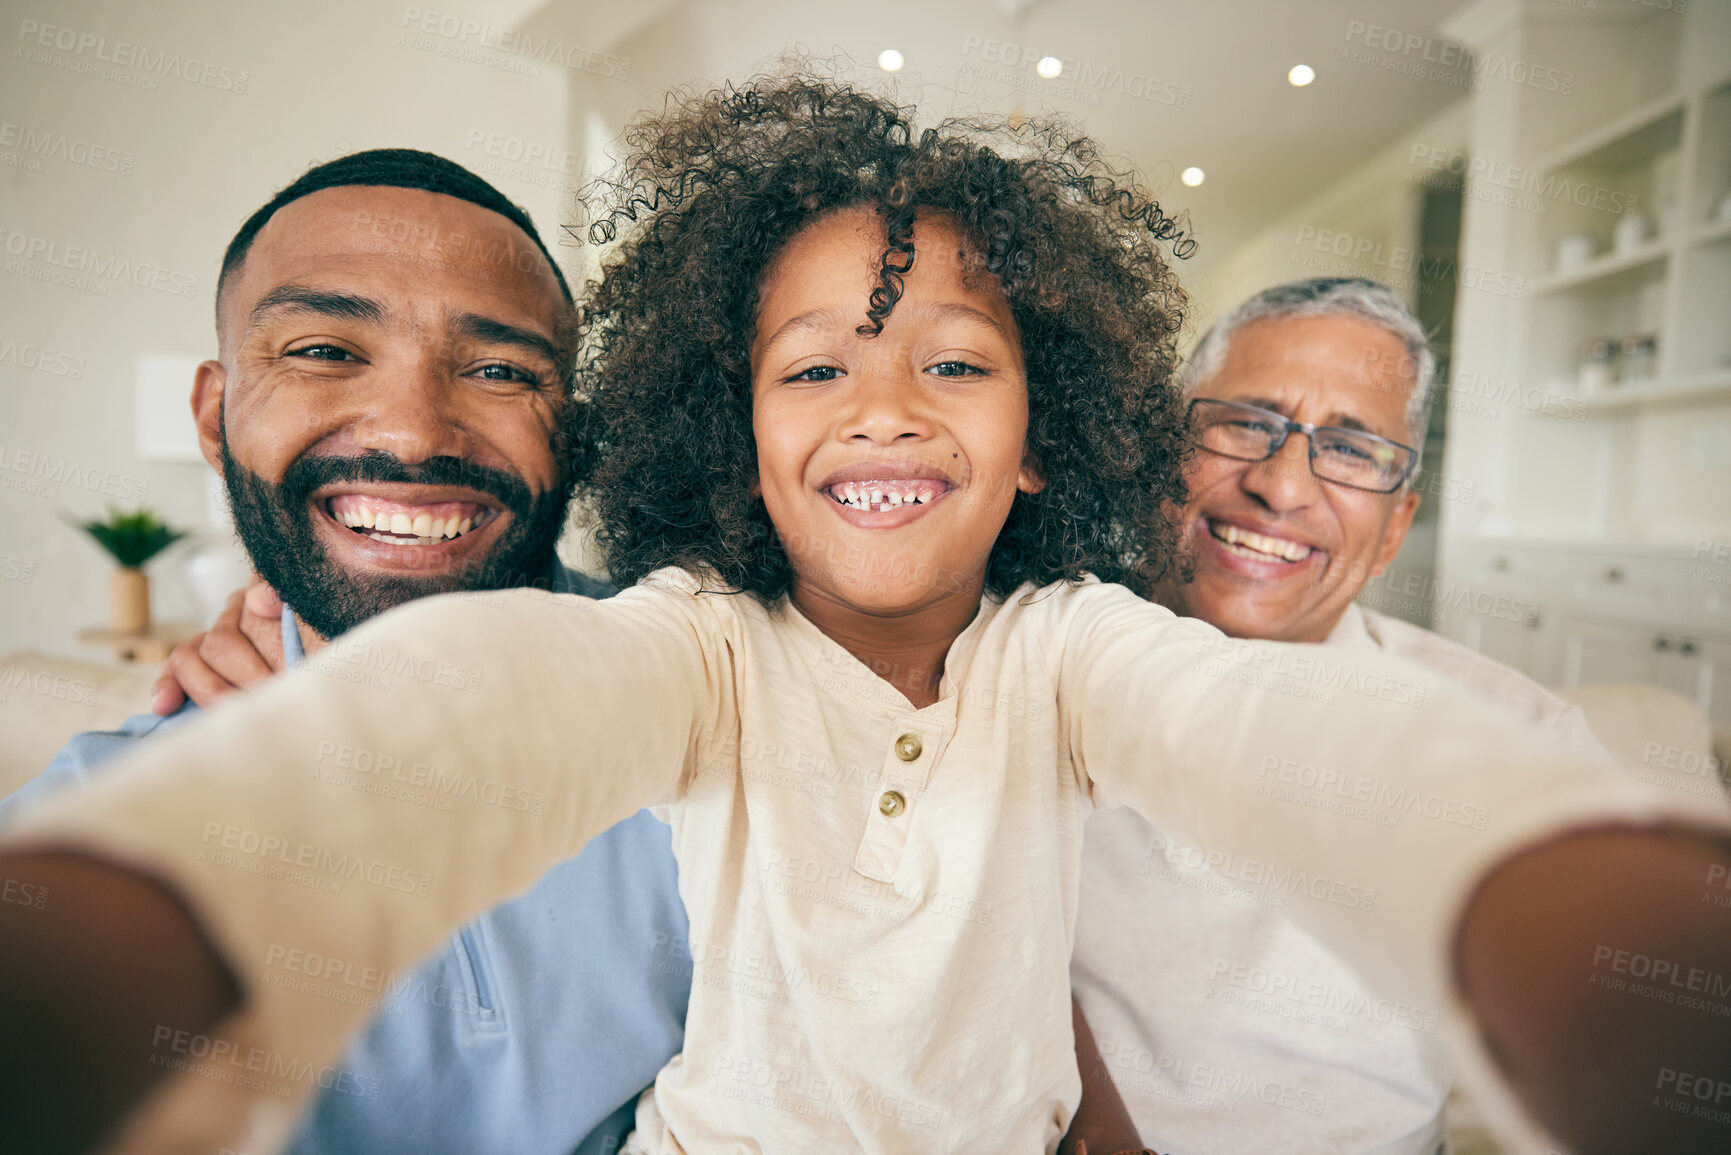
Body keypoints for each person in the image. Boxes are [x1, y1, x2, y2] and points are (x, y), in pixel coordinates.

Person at [2, 76, 1728, 1155]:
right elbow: (518, 689)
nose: (887, 410)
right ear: (730, 440)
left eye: (957, 365)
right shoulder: (683, 635)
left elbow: (1250, 729)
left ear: (1045, 431)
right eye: (815, 366)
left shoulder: (1072, 642)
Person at [0, 148, 693, 1155]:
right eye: (324, 350)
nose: (413, 436)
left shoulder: (733, 710)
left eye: (502, 370)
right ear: (214, 410)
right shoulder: (91, 813)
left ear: (574, 436)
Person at [1070, 277, 1606, 1154]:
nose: (1281, 487)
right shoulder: (1019, 660)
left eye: (1352, 450)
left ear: (1396, 526)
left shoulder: (1518, 734)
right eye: (1245, 422)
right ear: (1162, 451)